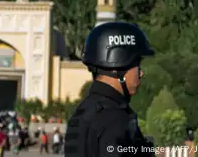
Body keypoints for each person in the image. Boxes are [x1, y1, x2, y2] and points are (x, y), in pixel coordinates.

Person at [64, 22, 156, 157]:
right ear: (118, 66)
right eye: (137, 65)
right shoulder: (115, 117)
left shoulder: (80, 113)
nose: (141, 73)